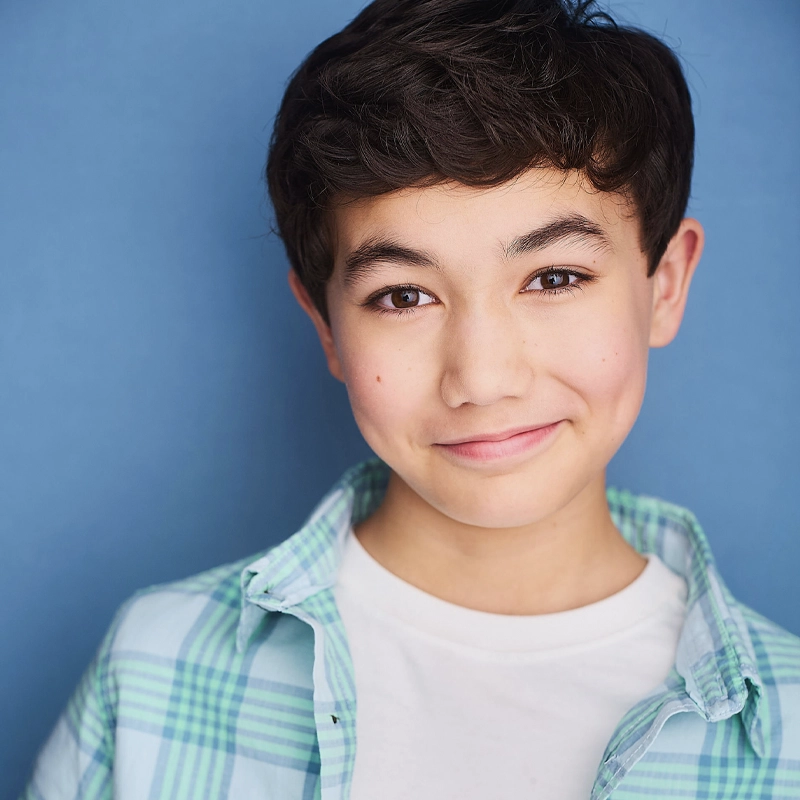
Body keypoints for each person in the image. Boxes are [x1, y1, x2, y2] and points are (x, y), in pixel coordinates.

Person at [22, 0, 800, 798]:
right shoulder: (156, 671)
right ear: (324, 326)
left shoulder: (789, 733)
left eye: (554, 278)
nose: (484, 378)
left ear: (664, 286)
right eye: (402, 296)